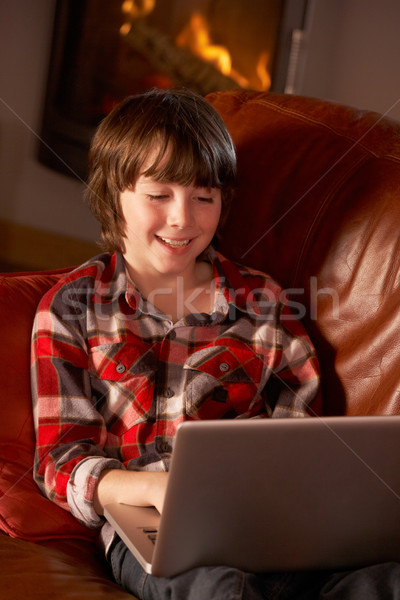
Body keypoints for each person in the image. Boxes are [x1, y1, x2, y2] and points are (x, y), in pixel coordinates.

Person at [31, 89, 399, 599]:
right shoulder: (72, 308)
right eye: (158, 195)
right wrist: (148, 489)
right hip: (148, 525)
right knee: (217, 588)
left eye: (204, 197)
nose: (184, 218)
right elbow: (60, 458)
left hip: (263, 520)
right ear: (112, 194)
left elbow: (301, 435)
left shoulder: (264, 301)